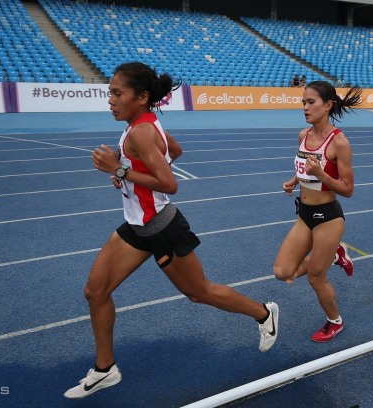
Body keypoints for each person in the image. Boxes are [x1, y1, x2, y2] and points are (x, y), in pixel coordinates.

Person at [64, 62, 279, 399]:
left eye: (117, 93)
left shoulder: (141, 131)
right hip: (137, 227)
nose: (110, 100)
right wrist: (128, 176)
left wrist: (120, 170)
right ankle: (105, 369)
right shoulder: (143, 123)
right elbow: (174, 152)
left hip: (162, 228)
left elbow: (169, 183)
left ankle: (264, 313)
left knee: (199, 293)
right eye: (110, 93)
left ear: (142, 97)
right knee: (95, 291)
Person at [273, 81, 362, 342]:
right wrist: (295, 180)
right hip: (305, 215)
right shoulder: (303, 136)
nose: (305, 107)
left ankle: (335, 321)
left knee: (315, 276)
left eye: (311, 102)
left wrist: (321, 174)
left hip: (329, 218)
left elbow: (348, 190)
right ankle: (337, 255)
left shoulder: (340, 143)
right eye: (303, 103)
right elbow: (305, 166)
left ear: (328, 105)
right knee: (282, 272)